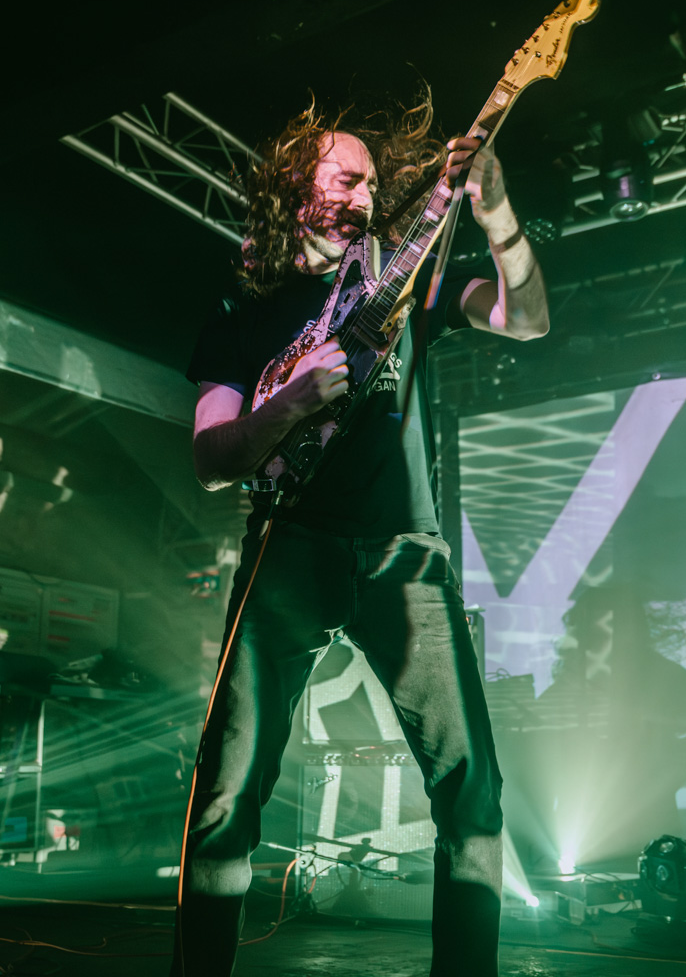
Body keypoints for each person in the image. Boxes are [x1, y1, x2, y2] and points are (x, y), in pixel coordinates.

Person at [173, 92, 548, 977]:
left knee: (471, 792)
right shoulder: (244, 310)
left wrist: (497, 214)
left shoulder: (402, 285)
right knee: (228, 791)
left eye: (374, 183)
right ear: (296, 186)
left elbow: (527, 319)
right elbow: (211, 458)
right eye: (346, 177)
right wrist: (289, 405)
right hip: (287, 546)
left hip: (404, 553)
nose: (365, 195)